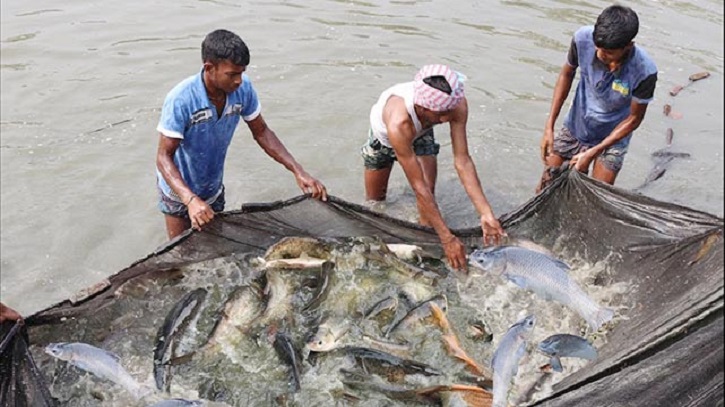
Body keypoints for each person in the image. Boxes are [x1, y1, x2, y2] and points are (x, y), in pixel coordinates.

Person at [156, 29, 327, 239]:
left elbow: (262, 131)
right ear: (209, 68)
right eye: (232, 74)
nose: (238, 80)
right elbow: (163, 157)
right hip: (178, 191)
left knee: (213, 248)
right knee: (180, 257)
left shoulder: (242, 90)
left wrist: (298, 171)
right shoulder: (181, 99)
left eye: (242, 72)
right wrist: (190, 200)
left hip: (212, 187)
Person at [361, 64, 505, 271]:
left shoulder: (455, 105)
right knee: (375, 202)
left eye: (448, 112)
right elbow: (417, 186)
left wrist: (485, 213)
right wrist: (447, 239)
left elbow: (462, 160)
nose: (446, 119)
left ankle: (423, 248)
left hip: (423, 128)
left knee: (429, 201)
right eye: (441, 114)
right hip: (384, 139)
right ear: (421, 106)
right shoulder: (398, 123)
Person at [537, 5, 657, 192]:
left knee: (595, 195)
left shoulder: (644, 71)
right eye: (598, 48)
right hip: (577, 125)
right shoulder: (582, 38)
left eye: (609, 53)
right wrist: (549, 126)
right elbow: (566, 74)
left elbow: (634, 119)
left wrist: (594, 152)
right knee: (546, 187)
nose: (600, 55)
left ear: (628, 46)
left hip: (613, 137)